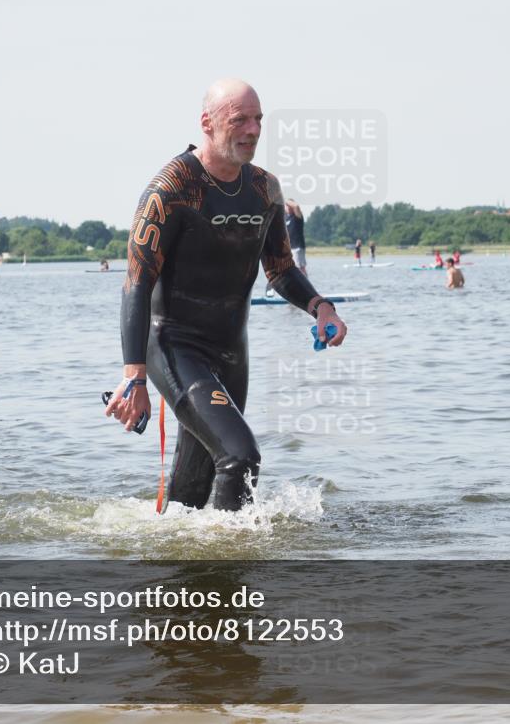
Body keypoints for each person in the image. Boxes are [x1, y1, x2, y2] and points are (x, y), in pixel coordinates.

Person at [106, 78, 348, 512]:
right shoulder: (172, 190)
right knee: (240, 457)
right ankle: (227, 564)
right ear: (207, 123)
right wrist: (135, 377)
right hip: (174, 345)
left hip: (232, 352)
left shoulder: (264, 190)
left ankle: (182, 564)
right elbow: (136, 283)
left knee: (194, 489)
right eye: (240, 120)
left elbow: (280, 269)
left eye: (258, 120)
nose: (252, 130)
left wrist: (319, 306)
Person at [284, 199, 307, 275]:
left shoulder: (297, 216)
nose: (288, 208)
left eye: (289, 206)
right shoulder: (286, 217)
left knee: (299, 267)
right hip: (290, 248)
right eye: (287, 206)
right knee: (291, 268)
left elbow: (296, 206)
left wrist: (282, 198)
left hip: (297, 247)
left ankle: (305, 284)